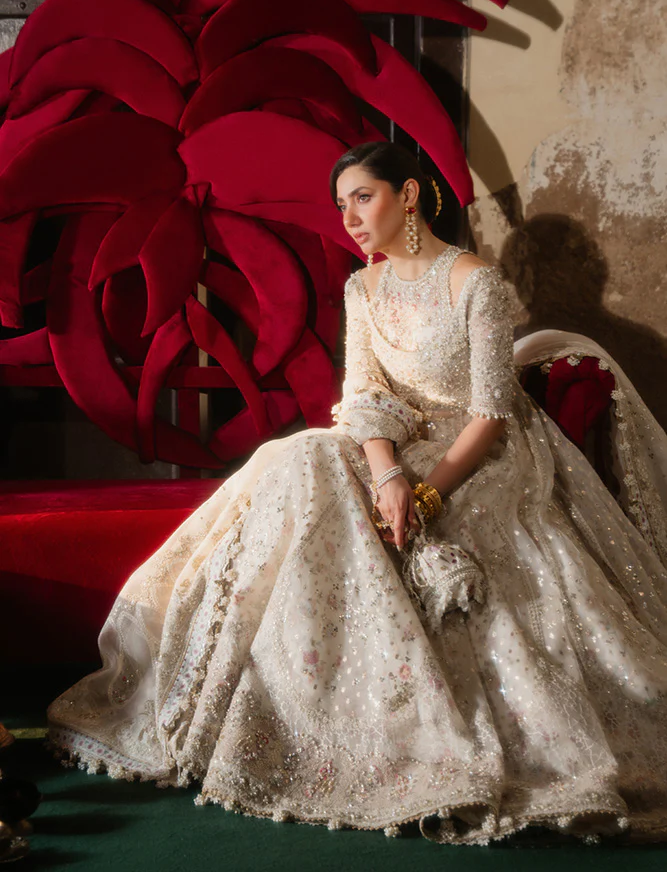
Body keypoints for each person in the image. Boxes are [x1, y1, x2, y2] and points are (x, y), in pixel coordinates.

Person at [48, 142, 667, 845]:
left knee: (405, 511)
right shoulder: (362, 288)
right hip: (392, 443)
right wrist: (388, 474)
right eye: (340, 204)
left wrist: (425, 495)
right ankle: (260, 695)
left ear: (409, 195)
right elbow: (365, 395)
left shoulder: (476, 284)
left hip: (478, 455)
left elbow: (492, 414)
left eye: (362, 197)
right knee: (301, 457)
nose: (348, 217)